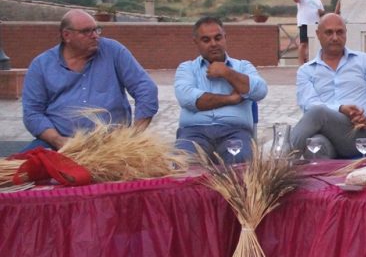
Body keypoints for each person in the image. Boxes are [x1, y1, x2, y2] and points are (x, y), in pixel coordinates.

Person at [22, 9, 158, 150]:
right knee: (23, 168)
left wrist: (133, 135)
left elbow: (146, 88)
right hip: (59, 143)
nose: (95, 36)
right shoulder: (41, 65)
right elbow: (32, 113)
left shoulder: (114, 51)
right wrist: (58, 140)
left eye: (96, 29)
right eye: (87, 31)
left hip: (112, 145)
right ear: (66, 35)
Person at [291, 13, 366, 159]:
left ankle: (282, 160)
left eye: (340, 32)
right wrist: (340, 109)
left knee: (318, 112)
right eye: (329, 32)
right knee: (316, 147)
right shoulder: (306, 71)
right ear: (318, 34)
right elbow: (308, 105)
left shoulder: (365, 62)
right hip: (323, 134)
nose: (335, 37)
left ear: (346, 33)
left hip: (359, 135)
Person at [174, 17, 268, 163]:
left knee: (239, 160)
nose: (213, 44)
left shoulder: (243, 66)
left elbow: (260, 91)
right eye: (206, 40)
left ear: (225, 38)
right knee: (182, 162)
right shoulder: (187, 68)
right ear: (196, 42)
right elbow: (188, 98)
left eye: (218, 38)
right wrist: (230, 99)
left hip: (235, 132)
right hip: (193, 133)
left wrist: (227, 73)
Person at [293, 0, 325, 65]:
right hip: (304, 23)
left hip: (315, 24)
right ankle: (301, 63)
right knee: (303, 43)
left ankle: (310, 60)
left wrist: (321, 12)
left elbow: (322, 12)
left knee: (313, 43)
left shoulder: (318, 0)